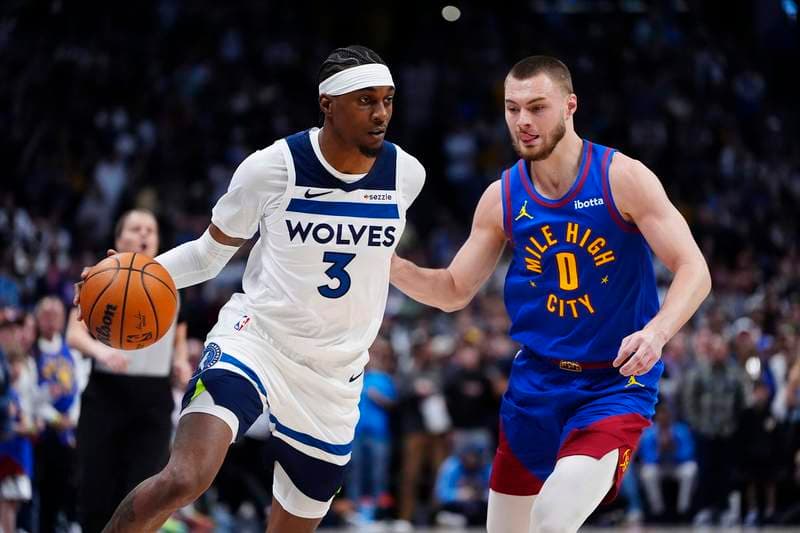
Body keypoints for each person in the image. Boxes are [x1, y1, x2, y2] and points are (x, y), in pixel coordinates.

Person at [74, 45, 425, 533]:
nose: (381, 113)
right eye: (366, 100)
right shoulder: (272, 167)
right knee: (185, 477)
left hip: (334, 374)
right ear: (327, 103)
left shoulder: (406, 174)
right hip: (256, 339)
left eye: (387, 100)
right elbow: (207, 254)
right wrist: (139, 269)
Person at [390, 55, 711, 533]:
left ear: (569, 106)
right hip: (534, 386)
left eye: (537, 107)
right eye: (512, 108)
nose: (522, 121)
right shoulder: (501, 196)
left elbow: (694, 269)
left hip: (612, 384)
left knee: (551, 519)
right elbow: (453, 290)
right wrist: (388, 265)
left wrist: (656, 333)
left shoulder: (621, 177)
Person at [66, 208, 191, 533]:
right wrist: (101, 352)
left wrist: (180, 361)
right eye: (135, 228)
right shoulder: (99, 276)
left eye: (150, 229)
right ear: (119, 238)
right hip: (106, 393)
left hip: (153, 398)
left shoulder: (173, 282)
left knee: (143, 492)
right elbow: (73, 333)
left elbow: (179, 336)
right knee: (96, 489)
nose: (144, 235)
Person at [638, 402, 697, 519]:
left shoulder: (681, 430)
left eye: (666, 414)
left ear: (671, 416)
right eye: (661, 414)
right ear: (657, 416)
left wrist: (673, 449)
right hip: (659, 466)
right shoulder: (649, 432)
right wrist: (659, 451)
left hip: (677, 465)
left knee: (691, 470)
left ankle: (683, 510)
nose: (664, 417)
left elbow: (689, 453)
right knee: (647, 473)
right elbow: (646, 457)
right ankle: (657, 511)